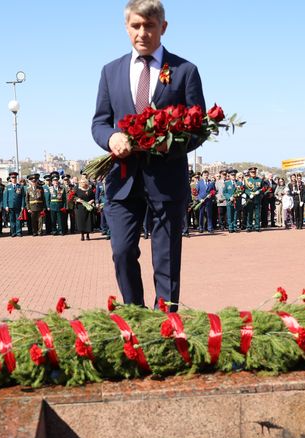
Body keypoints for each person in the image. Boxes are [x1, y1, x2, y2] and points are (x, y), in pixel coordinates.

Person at [91, 0, 206, 310]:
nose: (142, 33)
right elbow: (99, 122)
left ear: (163, 27)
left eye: (149, 26)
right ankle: (134, 314)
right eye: (136, 26)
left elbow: (199, 128)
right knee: (122, 251)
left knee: (166, 259)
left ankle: (165, 323)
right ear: (127, 28)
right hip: (123, 180)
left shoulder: (185, 71)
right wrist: (112, 137)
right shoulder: (110, 71)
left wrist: (165, 143)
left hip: (166, 181)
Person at [73, 175, 96, 240]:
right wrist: (77, 200)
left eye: (84, 182)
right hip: (80, 208)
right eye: (82, 182)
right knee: (81, 221)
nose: (83, 183)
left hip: (88, 207)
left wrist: (91, 201)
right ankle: (82, 235)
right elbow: (73, 197)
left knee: (88, 221)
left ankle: (88, 235)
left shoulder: (90, 189)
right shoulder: (77, 190)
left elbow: (93, 197)